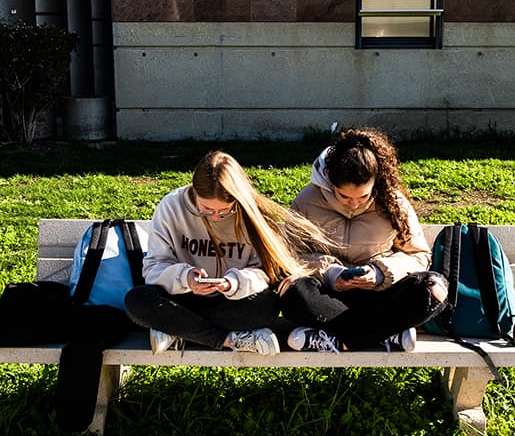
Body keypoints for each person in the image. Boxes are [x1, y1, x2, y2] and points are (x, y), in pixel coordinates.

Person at [124, 150, 328, 356]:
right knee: (137, 299)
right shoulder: (172, 206)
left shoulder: (252, 213)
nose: (214, 217)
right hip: (181, 297)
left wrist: (233, 283)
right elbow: (153, 269)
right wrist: (185, 277)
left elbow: (264, 273)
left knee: (267, 307)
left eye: (224, 211)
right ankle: (229, 339)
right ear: (194, 191)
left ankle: (178, 328)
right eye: (206, 209)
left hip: (229, 300)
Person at [278, 127, 448, 353]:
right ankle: (382, 336)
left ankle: (339, 339)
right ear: (330, 181)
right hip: (329, 298)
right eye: (344, 196)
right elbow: (288, 256)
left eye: (364, 196)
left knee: (433, 289)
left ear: (376, 182)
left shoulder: (393, 201)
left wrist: (380, 273)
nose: (354, 204)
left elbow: (418, 255)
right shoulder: (308, 200)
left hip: (381, 296)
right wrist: (331, 274)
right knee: (291, 291)